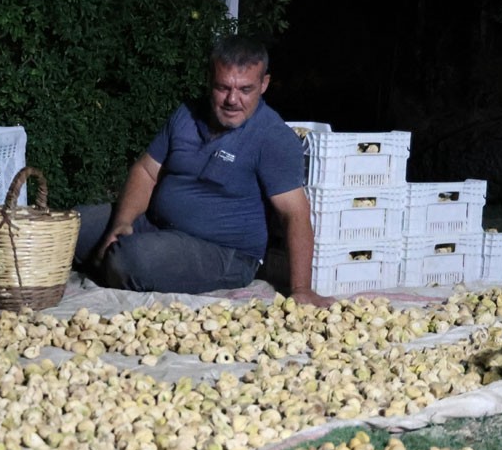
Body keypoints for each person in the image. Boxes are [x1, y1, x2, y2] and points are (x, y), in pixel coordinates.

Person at [73, 35, 333, 308]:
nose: (232, 99)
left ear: (264, 84)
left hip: (223, 252)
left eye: (245, 89)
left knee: (129, 259)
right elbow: (146, 171)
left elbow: (295, 213)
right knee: (71, 227)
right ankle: (114, 260)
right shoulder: (186, 114)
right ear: (209, 80)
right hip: (155, 224)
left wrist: (302, 288)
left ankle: (117, 263)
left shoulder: (273, 137)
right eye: (223, 87)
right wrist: (122, 223)